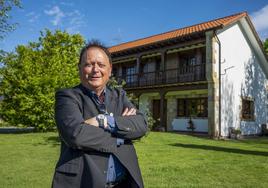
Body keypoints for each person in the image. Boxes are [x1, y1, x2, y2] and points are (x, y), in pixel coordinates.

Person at [52, 40, 148, 188]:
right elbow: (76, 135)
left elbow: (141, 125)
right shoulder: (68, 97)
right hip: (84, 182)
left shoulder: (119, 95)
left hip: (124, 183)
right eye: (89, 64)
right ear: (80, 69)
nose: (95, 70)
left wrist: (103, 121)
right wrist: (120, 138)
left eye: (101, 65)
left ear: (109, 70)